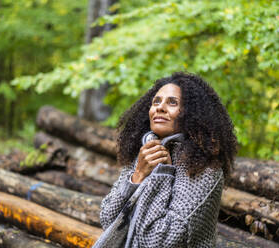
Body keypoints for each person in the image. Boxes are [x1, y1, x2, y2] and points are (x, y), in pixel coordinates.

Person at [93, 71, 238, 248]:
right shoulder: (144, 154)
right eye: (156, 101)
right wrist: (137, 176)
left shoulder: (204, 169)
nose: (160, 108)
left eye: (172, 102)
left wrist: (162, 175)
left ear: (192, 114)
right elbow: (108, 219)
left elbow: (158, 242)